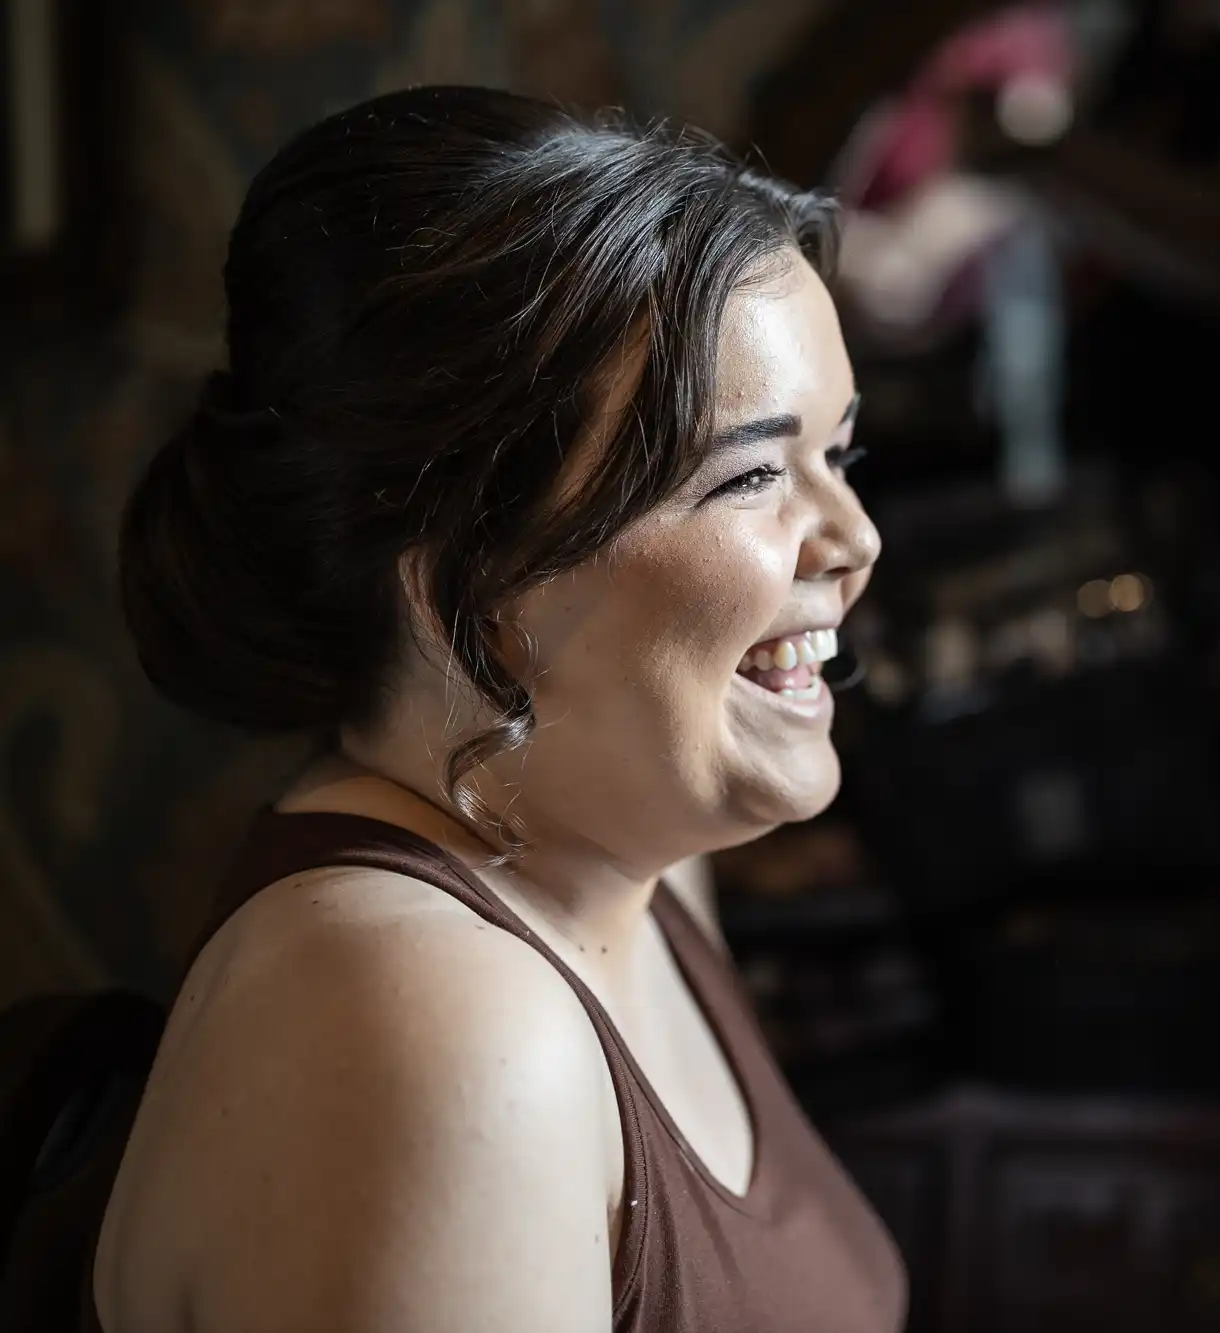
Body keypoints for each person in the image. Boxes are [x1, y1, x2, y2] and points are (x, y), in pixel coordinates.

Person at [97, 87, 900, 1333]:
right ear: (463, 585)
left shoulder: (622, 864)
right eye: (748, 474)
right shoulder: (438, 1021)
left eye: (837, 458)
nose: (853, 539)